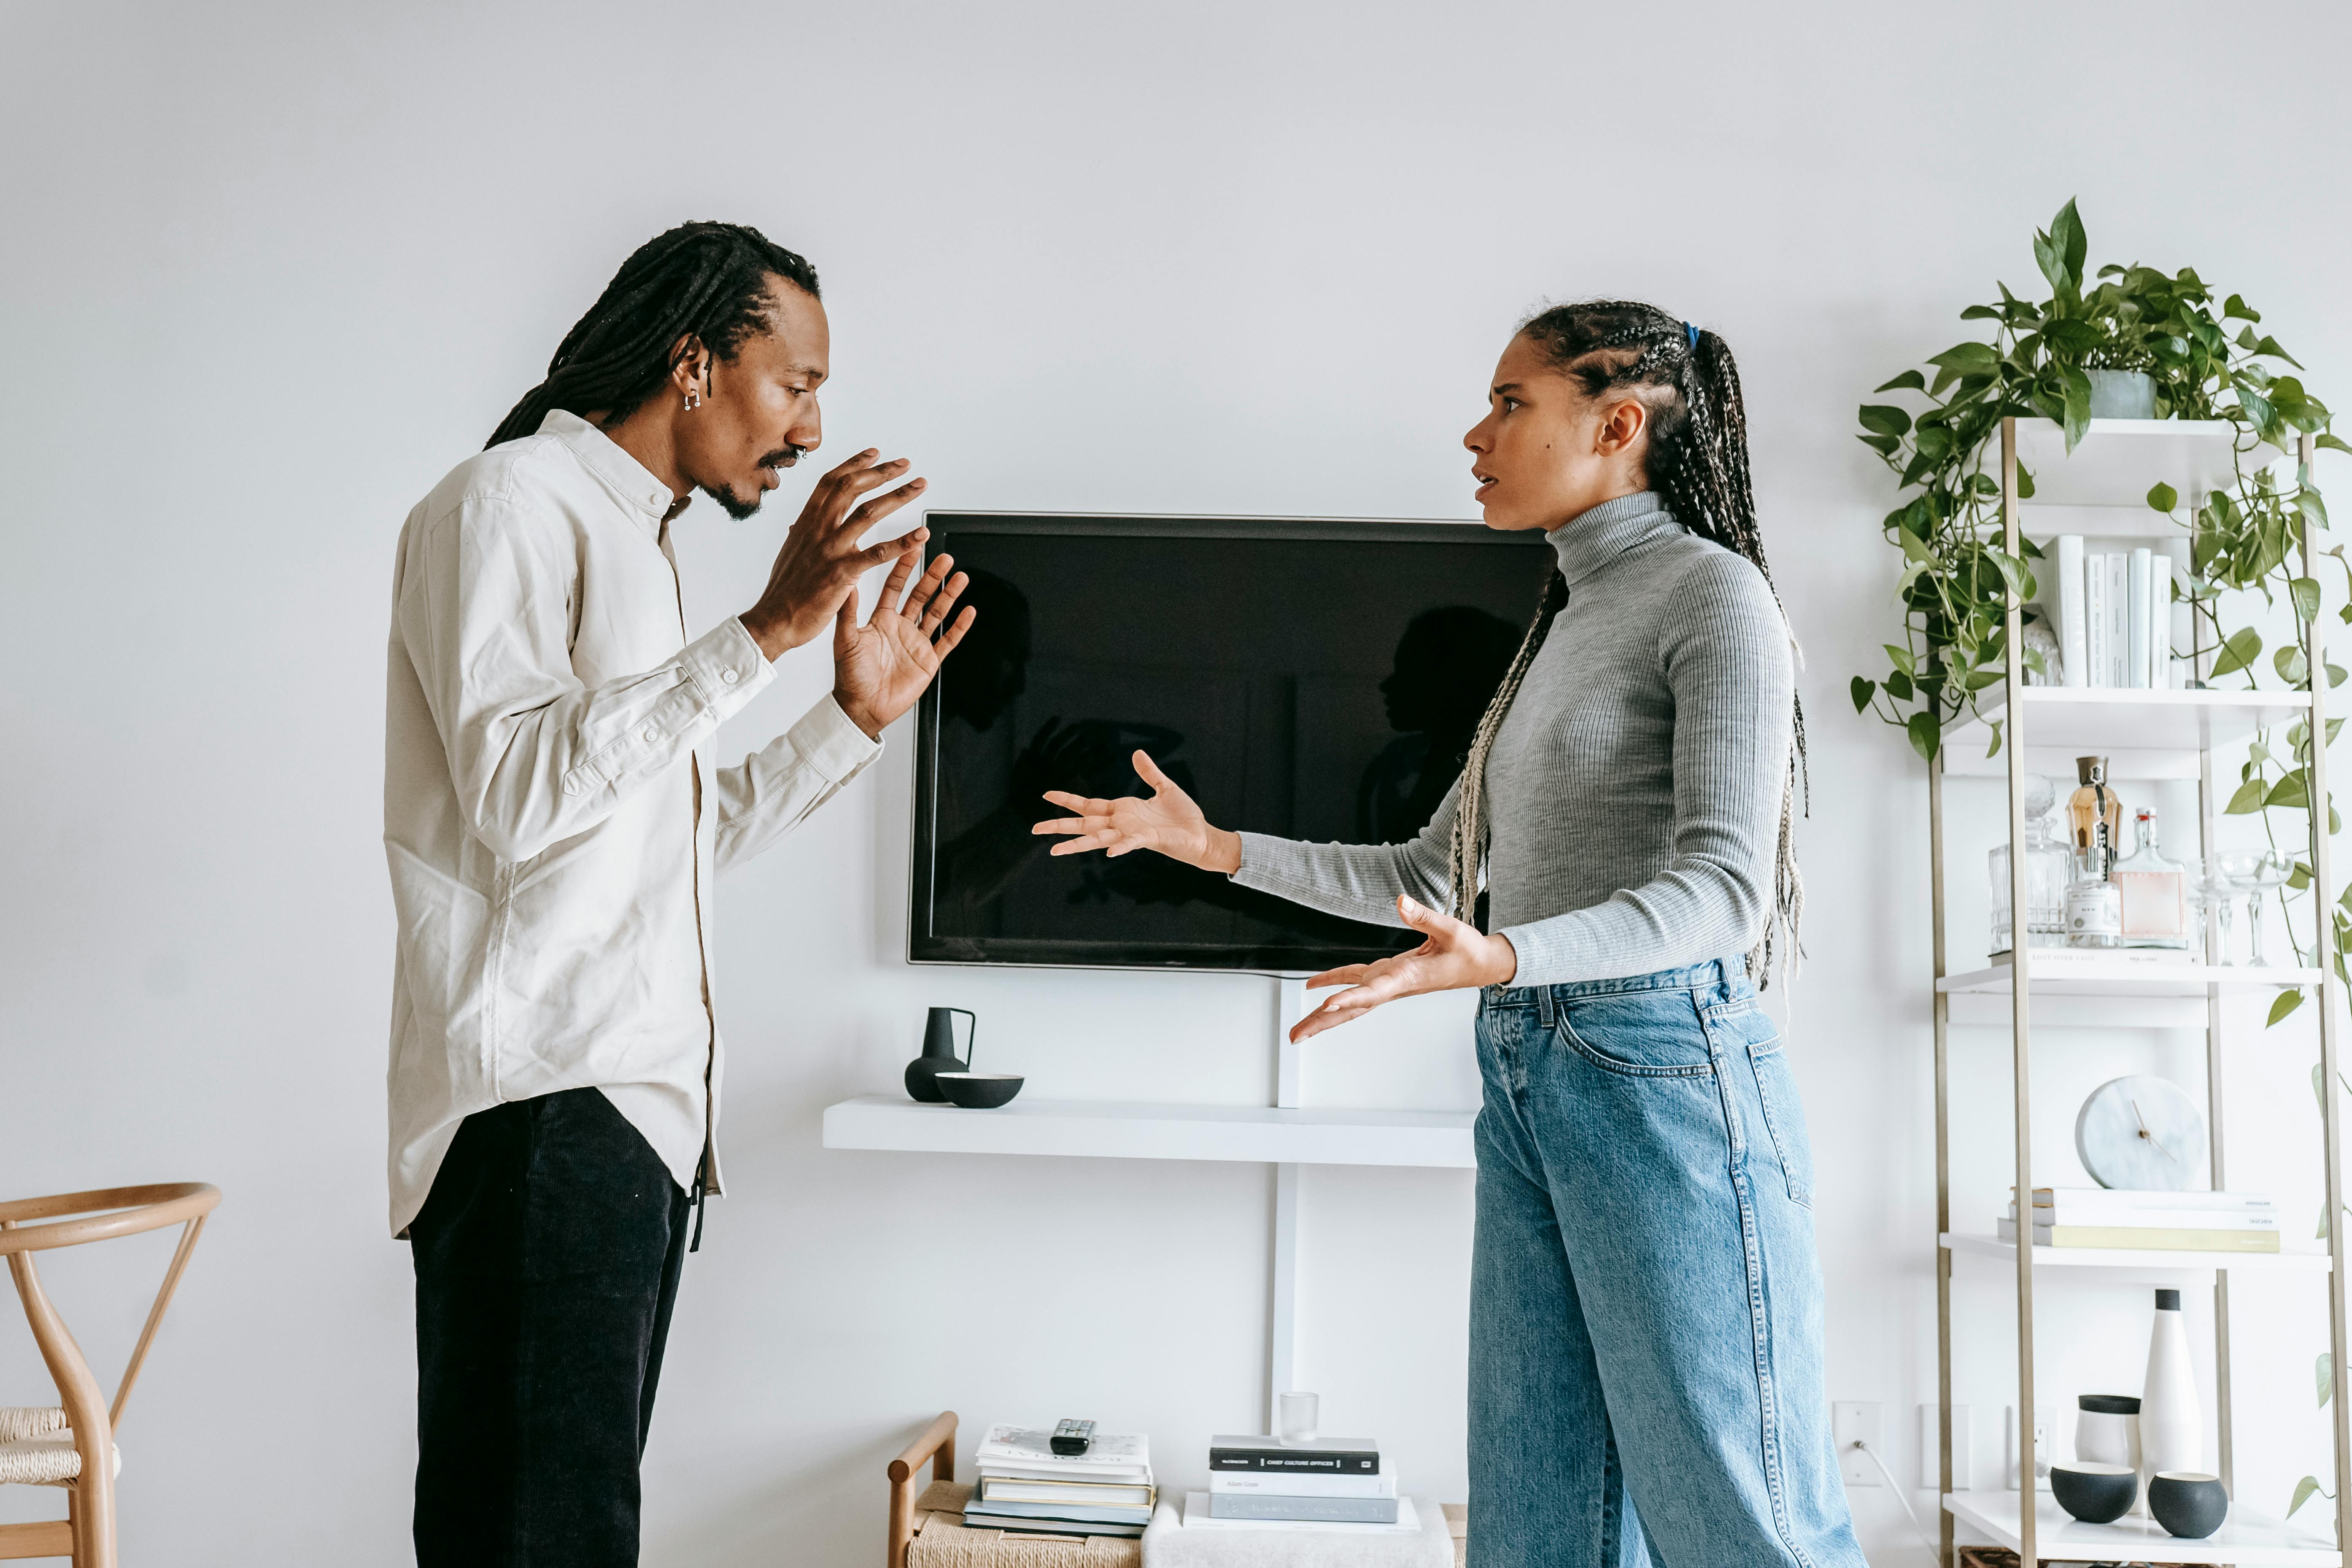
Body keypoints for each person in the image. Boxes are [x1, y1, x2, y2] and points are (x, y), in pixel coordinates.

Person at [1034, 301, 1861, 1568]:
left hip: (1667, 1082)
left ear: (1618, 424)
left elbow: (1724, 894)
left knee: (1739, 1527)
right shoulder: (1561, 628)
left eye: (1512, 402)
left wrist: (1512, 957)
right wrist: (1211, 848)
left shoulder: (1716, 599)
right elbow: (1431, 871)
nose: (1478, 433)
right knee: (1537, 1533)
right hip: (1532, 1078)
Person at [382, 221, 972, 1567]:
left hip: (625, 1126)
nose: (813, 429)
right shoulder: (508, 505)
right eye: (797, 382)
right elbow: (519, 797)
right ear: (695, 363)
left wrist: (850, 721)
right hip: (545, 1112)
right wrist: (765, 629)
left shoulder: (638, 547)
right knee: (539, 1543)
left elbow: (664, 844)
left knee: (569, 1537)